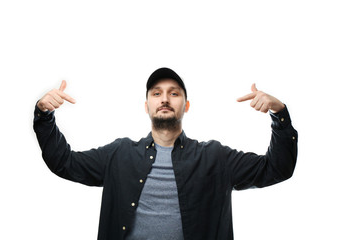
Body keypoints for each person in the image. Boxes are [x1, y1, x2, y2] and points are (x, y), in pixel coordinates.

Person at [33, 67, 298, 240]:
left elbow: (276, 168)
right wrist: (44, 116)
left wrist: (280, 115)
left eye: (174, 93)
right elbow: (64, 163)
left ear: (186, 105)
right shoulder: (119, 154)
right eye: (157, 93)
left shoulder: (216, 158)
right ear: (146, 105)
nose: (165, 99)